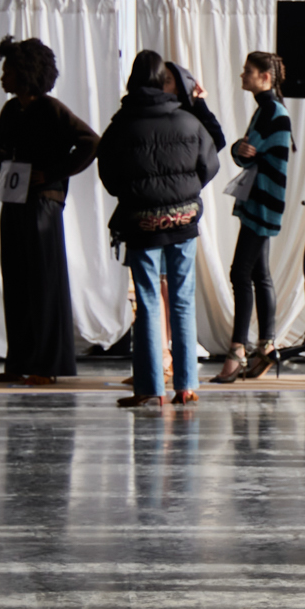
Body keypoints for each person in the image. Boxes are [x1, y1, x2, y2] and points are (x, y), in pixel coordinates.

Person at [99, 50, 218, 410]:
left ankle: (150, 389)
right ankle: (186, 386)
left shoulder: (121, 124)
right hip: (183, 222)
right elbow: (209, 164)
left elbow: (109, 174)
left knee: (149, 303)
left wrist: (137, 196)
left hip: (141, 224)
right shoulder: (186, 120)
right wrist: (185, 193)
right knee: (182, 300)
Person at [0, 35, 98, 385]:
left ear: (25, 72)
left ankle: (46, 365)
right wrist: (5, 160)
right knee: (17, 281)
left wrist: (51, 174)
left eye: (9, 70)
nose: (3, 77)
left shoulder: (50, 108)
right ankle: (18, 361)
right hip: (15, 201)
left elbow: (91, 142)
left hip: (43, 205)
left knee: (43, 283)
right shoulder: (11, 110)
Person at [216, 50, 293, 383]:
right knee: (259, 273)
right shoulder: (270, 109)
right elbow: (244, 151)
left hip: (262, 200)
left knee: (240, 273)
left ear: (265, 76)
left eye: (248, 70)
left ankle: (238, 350)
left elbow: (248, 152)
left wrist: (239, 149)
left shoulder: (271, 111)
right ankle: (266, 345)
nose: (242, 75)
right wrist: (239, 148)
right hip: (264, 199)